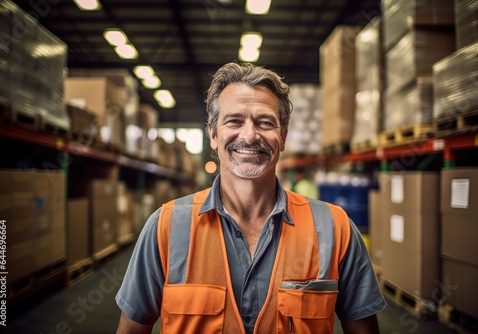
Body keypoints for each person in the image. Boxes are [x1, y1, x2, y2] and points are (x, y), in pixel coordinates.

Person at [115, 62, 386, 333]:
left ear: (283, 136)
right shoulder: (166, 226)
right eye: (234, 121)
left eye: (265, 122)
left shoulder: (334, 228)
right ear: (213, 134)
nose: (249, 135)